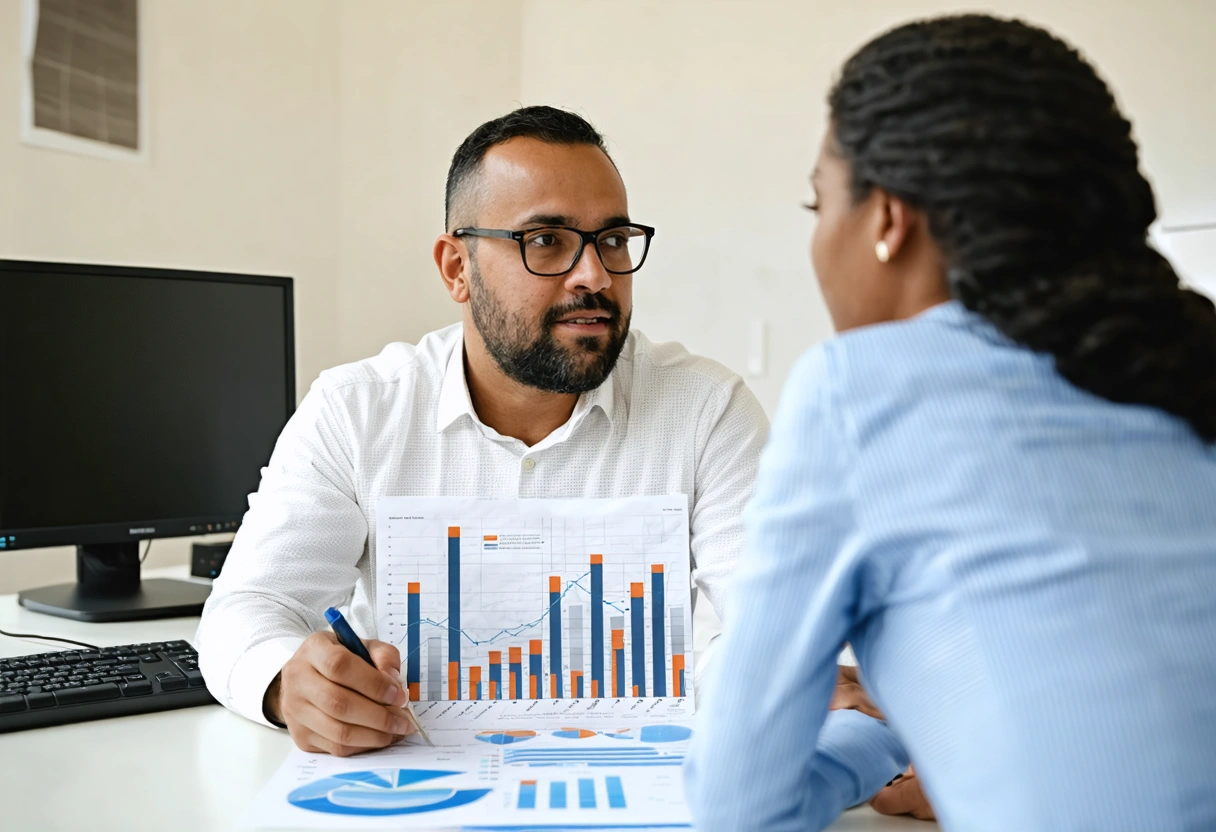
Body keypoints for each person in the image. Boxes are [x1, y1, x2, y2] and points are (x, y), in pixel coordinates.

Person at [686, 13, 1216, 831]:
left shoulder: (859, 390)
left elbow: (742, 806)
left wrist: (875, 746)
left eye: (818, 203)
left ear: (888, 221)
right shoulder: (1187, 370)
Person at [196, 106, 768, 756]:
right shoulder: (357, 411)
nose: (596, 275)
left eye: (612, 239)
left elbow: (769, 624)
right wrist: (286, 684)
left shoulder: (706, 409)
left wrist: (765, 681)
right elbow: (250, 605)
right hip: (414, 781)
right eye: (546, 239)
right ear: (456, 269)